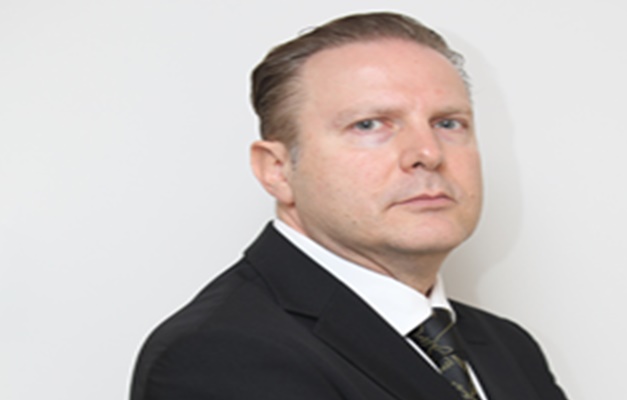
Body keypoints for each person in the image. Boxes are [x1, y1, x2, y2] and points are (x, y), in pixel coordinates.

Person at [131, 12, 568, 400]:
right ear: (277, 170)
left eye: (448, 123)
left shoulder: (509, 348)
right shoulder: (220, 354)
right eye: (369, 124)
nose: (428, 152)